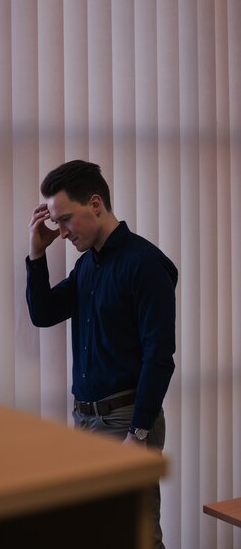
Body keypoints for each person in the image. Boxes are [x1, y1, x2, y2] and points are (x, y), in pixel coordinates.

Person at [25, 159, 178, 549]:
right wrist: (36, 255)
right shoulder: (87, 268)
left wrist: (137, 434)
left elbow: (159, 356)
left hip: (126, 422)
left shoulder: (145, 264)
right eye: (56, 223)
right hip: (86, 420)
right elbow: (43, 314)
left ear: (96, 204)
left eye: (65, 220)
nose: (60, 232)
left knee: (137, 534)